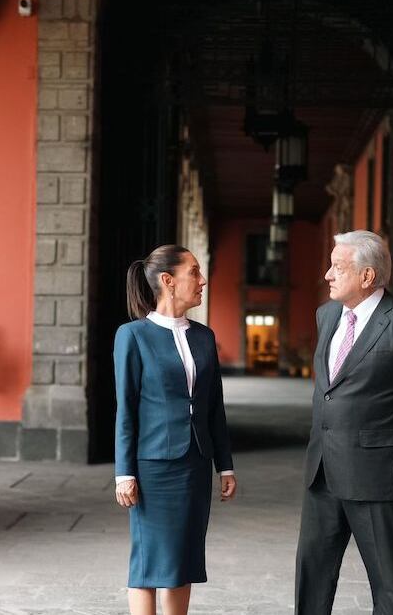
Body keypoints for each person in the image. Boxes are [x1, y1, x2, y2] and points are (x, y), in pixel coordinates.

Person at [295, 230, 393, 615]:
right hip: (323, 472)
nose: (327, 274)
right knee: (311, 577)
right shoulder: (326, 315)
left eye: (337, 267)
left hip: (382, 479)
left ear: (366, 276)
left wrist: (391, 453)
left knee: (389, 585)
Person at [113, 244, 238, 615]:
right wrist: (124, 472)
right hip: (152, 467)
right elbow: (126, 409)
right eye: (194, 273)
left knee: (182, 557)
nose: (202, 281)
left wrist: (225, 465)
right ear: (168, 281)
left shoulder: (203, 336)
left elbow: (215, 407)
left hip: (195, 464)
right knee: (149, 561)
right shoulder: (132, 336)